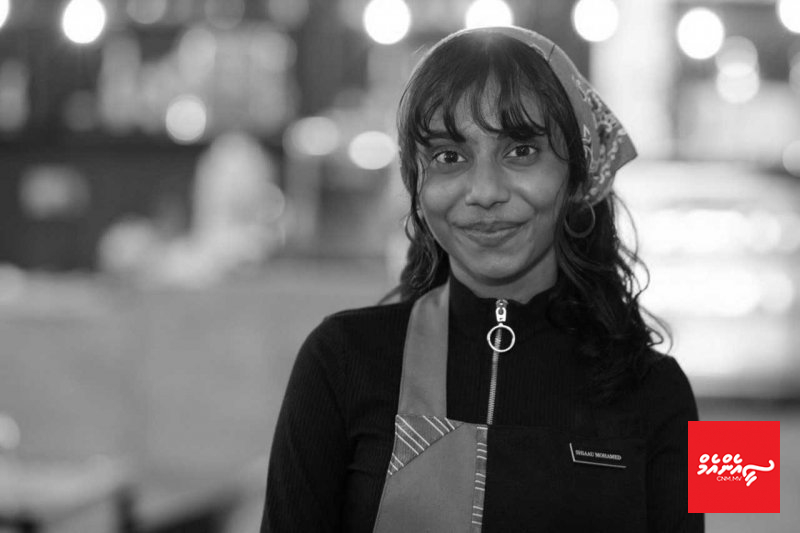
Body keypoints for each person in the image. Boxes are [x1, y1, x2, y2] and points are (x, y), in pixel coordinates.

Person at [262, 26, 702, 532]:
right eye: (449, 156)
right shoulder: (339, 361)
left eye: (522, 150)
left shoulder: (662, 391)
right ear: (416, 184)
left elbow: (752, 502)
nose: (485, 191)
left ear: (577, 176)